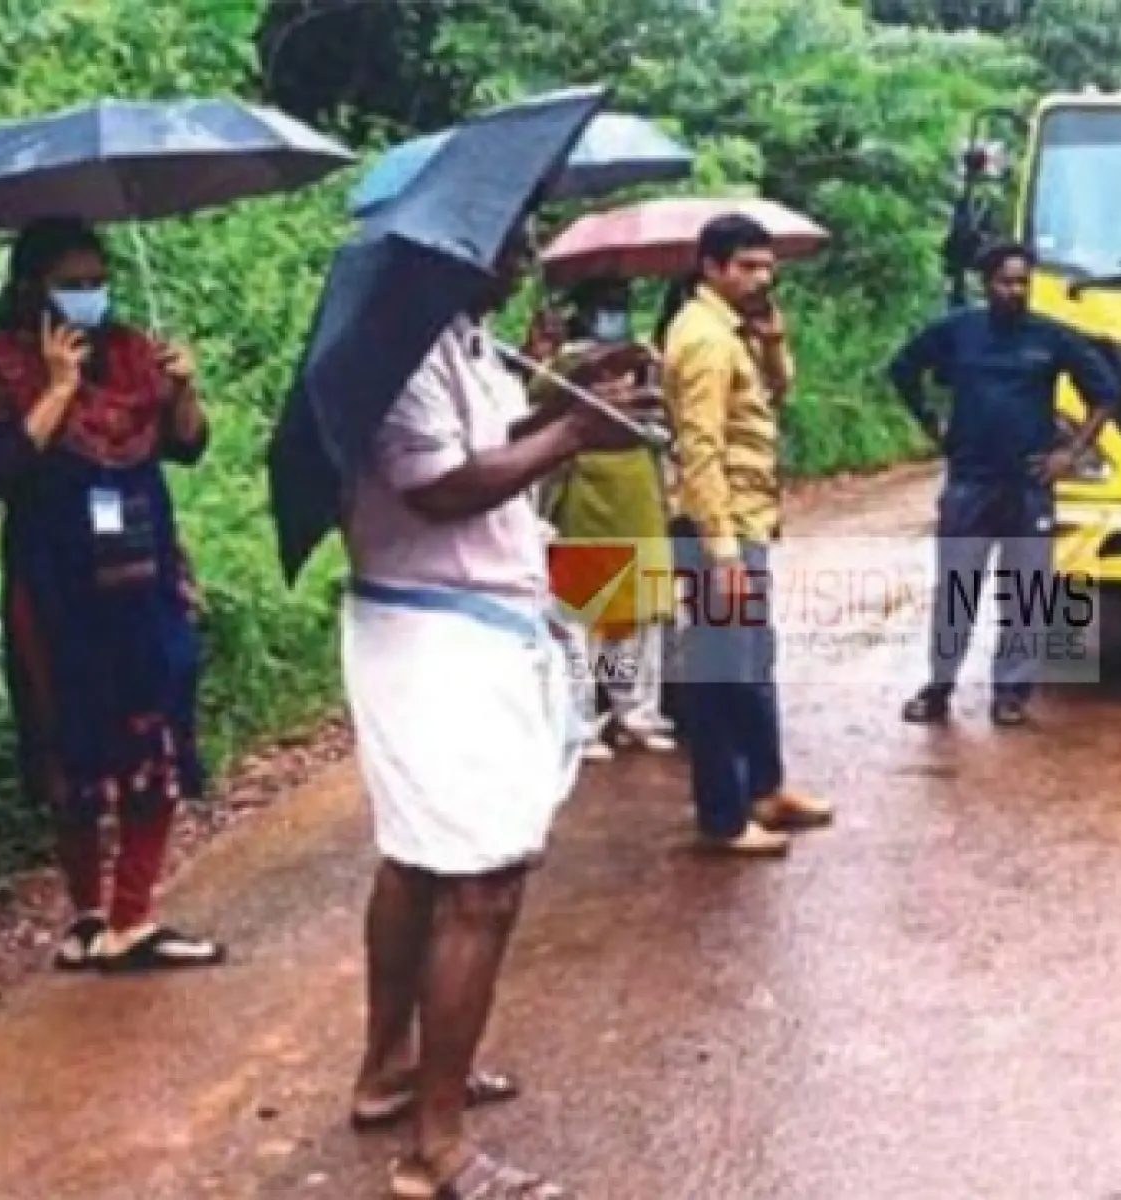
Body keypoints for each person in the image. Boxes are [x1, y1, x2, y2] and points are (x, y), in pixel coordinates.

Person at [335, 218, 638, 1199]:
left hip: (464, 626)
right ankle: (438, 1146)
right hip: (435, 634)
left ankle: (396, 1069)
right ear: (455, 249)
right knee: (483, 883)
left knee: (421, 863)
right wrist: (573, 434)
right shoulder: (406, 352)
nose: (527, 260)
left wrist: (558, 399)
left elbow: (489, 443)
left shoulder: (463, 338)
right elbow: (439, 486)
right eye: (512, 243)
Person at [0, 216, 222, 972]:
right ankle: (85, 917)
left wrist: (183, 389)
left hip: (141, 578)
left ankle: (132, 917)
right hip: (56, 587)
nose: (89, 296)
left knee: (156, 728)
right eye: (69, 283)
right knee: (68, 743)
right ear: (30, 288)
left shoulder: (133, 352)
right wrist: (57, 389)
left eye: (96, 280)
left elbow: (186, 444)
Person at [888, 240, 1121, 727]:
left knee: (1027, 593)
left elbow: (1105, 392)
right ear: (985, 283)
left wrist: (1071, 453)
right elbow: (903, 368)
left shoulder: (1051, 338)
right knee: (956, 589)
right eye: (1005, 281)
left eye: (1022, 282)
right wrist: (931, 423)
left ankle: (1011, 695)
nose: (1015, 291)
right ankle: (938, 688)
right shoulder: (958, 331)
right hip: (970, 482)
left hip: (1030, 483)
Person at [658, 214, 830, 857]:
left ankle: (766, 787)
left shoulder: (736, 333)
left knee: (753, 662)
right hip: (719, 528)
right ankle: (723, 818)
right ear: (711, 268)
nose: (763, 277)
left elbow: (775, 398)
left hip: (749, 519)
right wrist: (721, 551)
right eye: (748, 266)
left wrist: (773, 342)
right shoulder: (702, 339)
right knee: (720, 674)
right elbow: (699, 450)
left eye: (767, 265)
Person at [533, 276, 678, 760]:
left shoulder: (642, 356)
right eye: (606, 306)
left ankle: (634, 713)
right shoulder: (567, 362)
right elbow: (538, 399)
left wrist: (652, 374)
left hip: (637, 489)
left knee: (634, 621)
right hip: (585, 492)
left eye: (620, 305)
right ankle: (583, 722)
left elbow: (663, 417)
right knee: (582, 619)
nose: (615, 314)